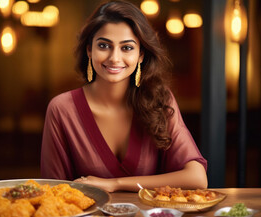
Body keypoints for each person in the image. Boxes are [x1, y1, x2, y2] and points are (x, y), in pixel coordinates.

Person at [40, 0, 207, 192]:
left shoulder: (160, 100)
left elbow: (197, 178)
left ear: (141, 55)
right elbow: (52, 192)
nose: (114, 58)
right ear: (89, 49)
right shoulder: (62, 109)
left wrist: (115, 184)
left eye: (126, 47)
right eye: (104, 46)